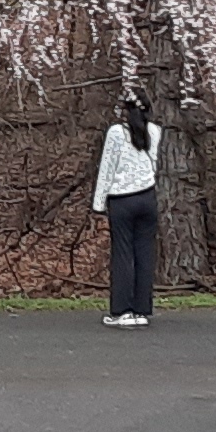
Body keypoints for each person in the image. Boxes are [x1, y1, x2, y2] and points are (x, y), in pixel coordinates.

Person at [90, 96, 163, 327]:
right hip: (148, 197)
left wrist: (98, 203)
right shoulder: (154, 130)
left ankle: (122, 311)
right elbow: (153, 163)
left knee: (123, 253)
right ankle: (142, 310)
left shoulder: (116, 133)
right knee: (144, 253)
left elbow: (107, 167)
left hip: (122, 199)